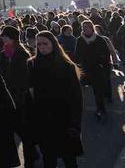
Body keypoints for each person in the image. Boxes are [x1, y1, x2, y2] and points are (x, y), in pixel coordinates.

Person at [28, 31, 83, 168]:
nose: (41, 47)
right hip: (43, 121)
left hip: (64, 120)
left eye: (45, 43)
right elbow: (29, 93)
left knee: (69, 158)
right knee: (48, 158)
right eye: (39, 44)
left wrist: (75, 124)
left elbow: (76, 97)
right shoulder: (32, 64)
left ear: (53, 44)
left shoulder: (66, 66)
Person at [0, 25, 37, 167]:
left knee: (24, 131)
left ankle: (30, 160)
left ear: (13, 38)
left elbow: (26, 78)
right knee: (15, 128)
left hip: (21, 98)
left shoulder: (22, 53)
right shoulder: (3, 54)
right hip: (8, 97)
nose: (2, 38)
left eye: (5, 36)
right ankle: (32, 152)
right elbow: (1, 73)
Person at [73, 20, 111, 119]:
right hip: (86, 69)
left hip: (98, 68)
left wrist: (103, 63)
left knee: (98, 90)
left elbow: (107, 53)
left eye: (87, 27)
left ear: (91, 27)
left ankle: (100, 108)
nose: (85, 29)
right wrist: (81, 61)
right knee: (80, 89)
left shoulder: (99, 39)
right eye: (83, 27)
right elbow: (77, 55)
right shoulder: (80, 40)